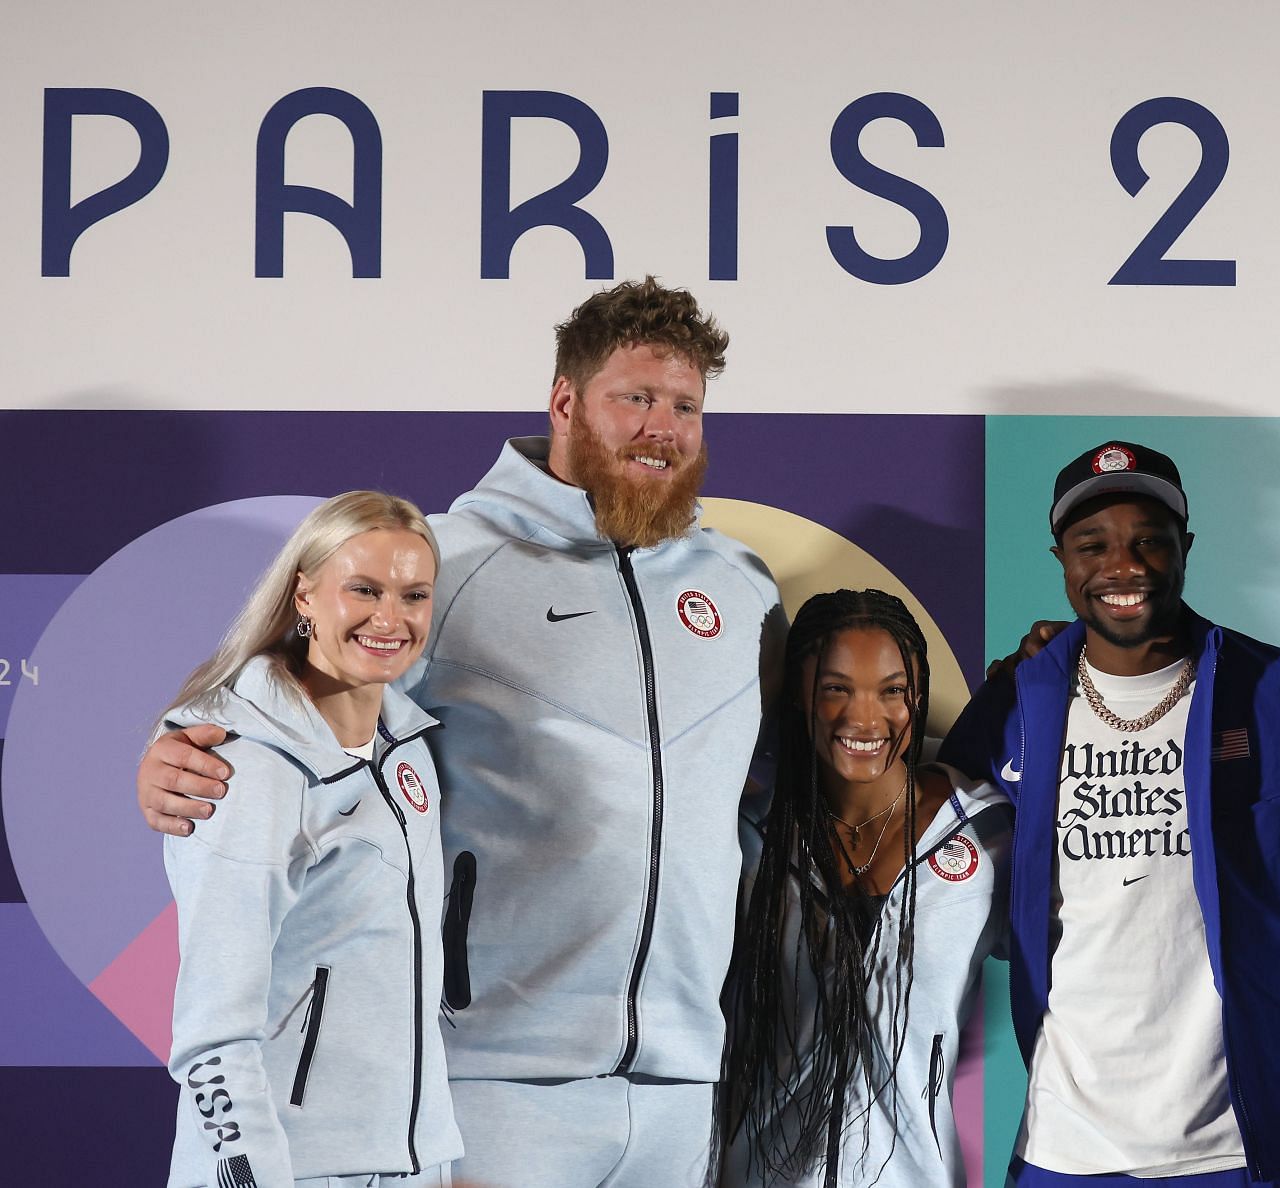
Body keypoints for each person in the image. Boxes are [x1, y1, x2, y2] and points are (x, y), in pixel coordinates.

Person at [139, 279, 783, 1187]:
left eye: (685, 406)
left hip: (683, 1086)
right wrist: (181, 744)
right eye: (634, 398)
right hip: (497, 1083)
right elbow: (303, 688)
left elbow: (787, 782)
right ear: (566, 401)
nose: (662, 427)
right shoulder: (454, 562)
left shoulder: (742, 586)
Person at [943, 441, 1280, 1188]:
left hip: (1235, 1144)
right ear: (1060, 557)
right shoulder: (1013, 704)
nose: (1123, 566)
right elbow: (924, 837)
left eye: (1149, 541)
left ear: (1185, 548)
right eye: (1093, 545)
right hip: (1066, 1141)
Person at [160, 491, 460, 1188]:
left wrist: (437, 1161)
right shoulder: (245, 768)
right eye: (364, 589)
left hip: (411, 1164)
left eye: (413, 595)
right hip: (293, 1170)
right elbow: (212, 1033)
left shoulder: (409, 748)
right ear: (305, 595)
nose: (391, 617)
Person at [724, 589, 1010, 1188]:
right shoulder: (746, 832)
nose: (865, 718)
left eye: (891, 690)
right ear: (796, 695)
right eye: (835, 688)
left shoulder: (986, 833)